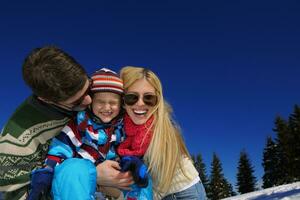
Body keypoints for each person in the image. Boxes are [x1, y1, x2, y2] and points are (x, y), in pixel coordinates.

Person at [0, 46, 132, 200]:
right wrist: (94, 176)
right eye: (77, 101)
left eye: (89, 89)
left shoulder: (97, 111)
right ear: (46, 100)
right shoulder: (15, 142)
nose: (89, 100)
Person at [28, 68, 151, 200]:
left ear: (120, 104)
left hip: (110, 179)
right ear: (91, 103)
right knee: (75, 169)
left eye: (113, 103)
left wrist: (130, 162)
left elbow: (124, 149)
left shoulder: (120, 127)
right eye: (100, 102)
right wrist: (49, 169)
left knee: (139, 180)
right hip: (81, 178)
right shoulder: (81, 125)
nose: (107, 108)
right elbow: (62, 147)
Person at [120, 66, 207, 200]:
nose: (140, 104)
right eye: (132, 97)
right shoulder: (121, 128)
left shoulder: (161, 125)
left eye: (149, 98)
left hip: (184, 192)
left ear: (157, 101)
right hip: (159, 195)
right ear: (123, 101)